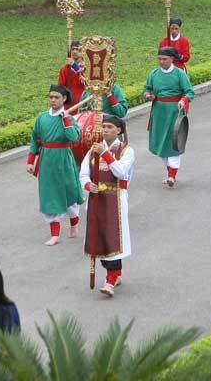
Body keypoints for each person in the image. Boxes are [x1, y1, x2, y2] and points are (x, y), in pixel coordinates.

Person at [80, 115, 134, 297]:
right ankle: (116, 273)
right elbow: (83, 174)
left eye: (109, 127)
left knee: (114, 237)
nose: (105, 130)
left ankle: (110, 280)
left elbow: (120, 171)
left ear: (118, 130)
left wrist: (104, 153)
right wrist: (88, 185)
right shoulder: (93, 150)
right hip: (96, 198)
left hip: (116, 198)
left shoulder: (127, 150)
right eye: (103, 126)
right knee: (99, 238)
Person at [26, 85, 83, 245]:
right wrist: (31, 161)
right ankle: (55, 235)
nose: (52, 100)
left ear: (64, 99)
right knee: (49, 195)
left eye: (56, 97)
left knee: (69, 195)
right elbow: (35, 140)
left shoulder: (69, 119)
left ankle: (74, 223)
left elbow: (74, 137)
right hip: (47, 162)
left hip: (64, 160)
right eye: (50, 97)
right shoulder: (42, 118)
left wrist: (65, 119)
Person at [143, 46, 194, 187]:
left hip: (174, 112)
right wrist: (148, 95)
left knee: (174, 142)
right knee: (161, 143)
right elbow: (147, 88)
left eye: (164, 59)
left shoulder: (179, 74)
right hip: (158, 112)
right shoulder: (153, 74)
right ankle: (170, 172)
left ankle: (172, 176)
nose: (161, 61)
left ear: (172, 59)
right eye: (159, 59)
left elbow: (189, 92)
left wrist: (183, 100)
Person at [57, 40, 86, 108]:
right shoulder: (64, 69)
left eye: (77, 49)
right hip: (69, 104)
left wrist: (74, 64)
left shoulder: (87, 67)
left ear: (82, 52)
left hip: (84, 102)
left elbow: (85, 78)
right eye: (72, 49)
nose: (75, 51)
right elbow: (61, 87)